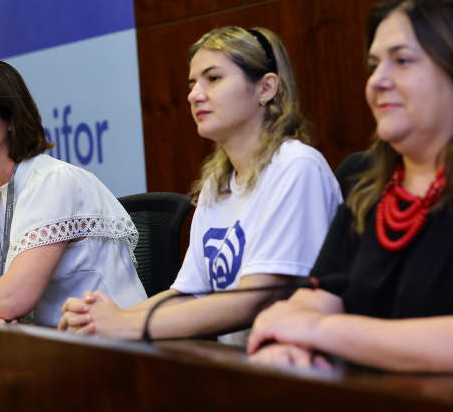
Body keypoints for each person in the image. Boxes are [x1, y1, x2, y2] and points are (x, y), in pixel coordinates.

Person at [247, 0, 453, 385]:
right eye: (374, 64)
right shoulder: (367, 190)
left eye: (403, 61)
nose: (377, 80)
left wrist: (318, 333)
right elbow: (304, 307)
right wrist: (288, 343)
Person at [57, 27, 342, 344]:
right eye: (192, 83)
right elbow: (187, 294)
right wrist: (109, 318)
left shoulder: (297, 167)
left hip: (300, 371)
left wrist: (125, 326)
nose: (194, 94)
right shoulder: (216, 185)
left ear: (266, 87)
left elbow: (256, 299)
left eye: (213, 79)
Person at [0, 58, 147, 325]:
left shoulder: (56, 181)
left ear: (10, 118)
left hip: (111, 345)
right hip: (44, 347)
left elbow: (11, 301)